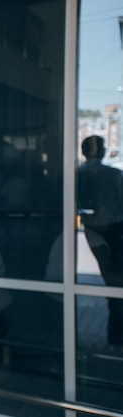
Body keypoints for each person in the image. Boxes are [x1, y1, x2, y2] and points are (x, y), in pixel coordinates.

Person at [77, 135, 123, 345]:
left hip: (92, 231)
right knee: (117, 285)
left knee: (112, 282)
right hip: (116, 230)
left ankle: (114, 338)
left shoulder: (77, 175)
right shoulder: (115, 174)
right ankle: (115, 338)